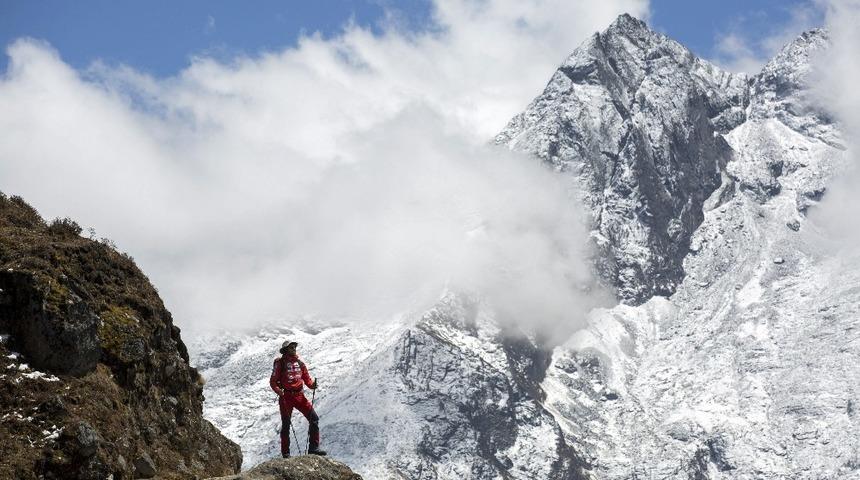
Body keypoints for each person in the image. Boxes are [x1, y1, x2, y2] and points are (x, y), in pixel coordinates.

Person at [269, 340, 326, 457]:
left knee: (314, 418)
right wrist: (279, 391)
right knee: (286, 424)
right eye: (291, 347)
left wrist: (312, 385)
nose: (294, 348)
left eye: (294, 347)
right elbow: (273, 381)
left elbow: (307, 379)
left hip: (300, 396)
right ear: (285, 350)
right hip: (286, 397)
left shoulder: (300, 363)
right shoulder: (280, 363)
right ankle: (286, 453)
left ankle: (313, 448)